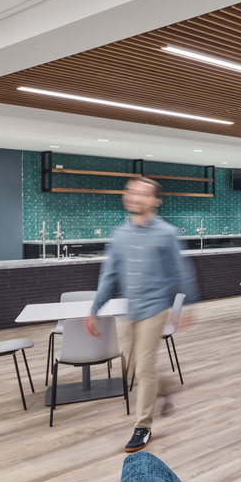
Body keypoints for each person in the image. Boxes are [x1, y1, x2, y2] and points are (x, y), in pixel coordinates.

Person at [87, 177, 198, 453]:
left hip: (155, 308)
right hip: (131, 309)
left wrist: (186, 306)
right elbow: (109, 275)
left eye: (143, 193)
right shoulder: (120, 234)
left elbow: (180, 271)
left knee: (145, 367)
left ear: (155, 200)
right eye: (131, 192)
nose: (135, 197)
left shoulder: (166, 233)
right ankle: (167, 386)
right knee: (134, 367)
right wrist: (95, 308)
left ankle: (143, 427)